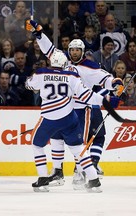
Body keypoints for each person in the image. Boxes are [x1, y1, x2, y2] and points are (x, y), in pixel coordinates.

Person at [27, 19, 124, 188]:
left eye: (77, 50)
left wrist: (114, 83)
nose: (74, 53)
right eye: (71, 50)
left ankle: (80, 172)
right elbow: (49, 49)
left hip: (81, 109)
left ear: (83, 51)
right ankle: (58, 172)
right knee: (57, 140)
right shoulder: (63, 61)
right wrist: (40, 35)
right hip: (65, 109)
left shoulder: (89, 66)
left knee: (79, 143)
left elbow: (105, 78)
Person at [25, 46, 109, 193]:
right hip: (70, 119)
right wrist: (107, 101)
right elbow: (87, 96)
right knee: (78, 149)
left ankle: (43, 178)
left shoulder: (42, 73)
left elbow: (29, 85)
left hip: (50, 118)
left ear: (51, 62)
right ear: (65, 64)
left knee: (37, 144)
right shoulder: (72, 77)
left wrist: (32, 81)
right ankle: (94, 180)